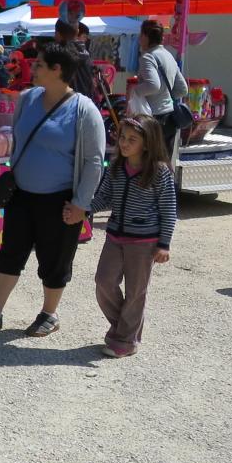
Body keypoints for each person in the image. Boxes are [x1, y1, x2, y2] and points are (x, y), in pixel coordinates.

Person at [0, 42, 105, 337]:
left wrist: (81, 204)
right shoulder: (27, 99)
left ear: (57, 70)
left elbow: (94, 161)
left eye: (40, 64)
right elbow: (18, 141)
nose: (34, 68)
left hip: (60, 200)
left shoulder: (84, 110)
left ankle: (49, 314)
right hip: (22, 193)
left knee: (55, 258)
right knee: (10, 251)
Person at [83, 115, 177, 358]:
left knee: (136, 291)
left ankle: (126, 340)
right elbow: (104, 198)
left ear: (147, 143)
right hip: (115, 237)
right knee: (104, 281)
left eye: (132, 139)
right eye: (122, 137)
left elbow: (168, 209)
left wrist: (164, 244)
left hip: (144, 243)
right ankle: (122, 328)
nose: (124, 143)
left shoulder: (159, 171)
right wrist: (84, 210)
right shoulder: (116, 168)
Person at [134, 20, 188, 157]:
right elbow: (183, 89)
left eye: (141, 35)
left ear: (146, 36)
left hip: (154, 118)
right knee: (164, 163)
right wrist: (166, 97)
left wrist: (135, 90)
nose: (139, 39)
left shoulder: (148, 57)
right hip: (170, 118)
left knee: (149, 164)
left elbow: (153, 85)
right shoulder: (168, 55)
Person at [54, 14, 95, 99]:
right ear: (77, 32)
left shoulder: (57, 55)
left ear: (57, 34)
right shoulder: (86, 55)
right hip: (85, 104)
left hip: (64, 104)